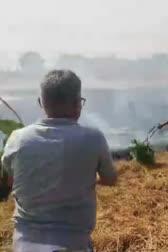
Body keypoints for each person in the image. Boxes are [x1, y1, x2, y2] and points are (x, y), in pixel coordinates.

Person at [1, 70, 117, 252]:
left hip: (25, 244)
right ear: (78, 103)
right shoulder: (93, 138)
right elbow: (110, 179)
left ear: (41, 103)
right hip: (74, 243)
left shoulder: (17, 139)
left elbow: (8, 183)